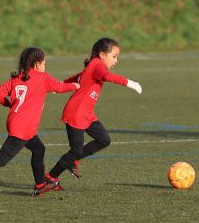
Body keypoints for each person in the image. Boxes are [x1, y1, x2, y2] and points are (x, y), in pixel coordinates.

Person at [0, 47, 80, 199]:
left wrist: (9, 104)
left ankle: (40, 185)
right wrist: (75, 86)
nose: (45, 67)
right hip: (23, 128)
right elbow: (60, 87)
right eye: (44, 64)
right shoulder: (42, 77)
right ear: (38, 64)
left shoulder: (17, 78)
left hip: (17, 123)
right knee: (1, 159)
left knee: (39, 149)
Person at [46, 38, 142, 185]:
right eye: (114, 56)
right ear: (102, 54)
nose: (116, 61)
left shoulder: (93, 66)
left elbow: (78, 78)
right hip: (76, 114)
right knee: (75, 151)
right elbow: (108, 77)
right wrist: (130, 83)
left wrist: (60, 84)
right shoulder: (97, 66)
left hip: (87, 114)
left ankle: (73, 160)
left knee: (104, 140)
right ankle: (51, 176)